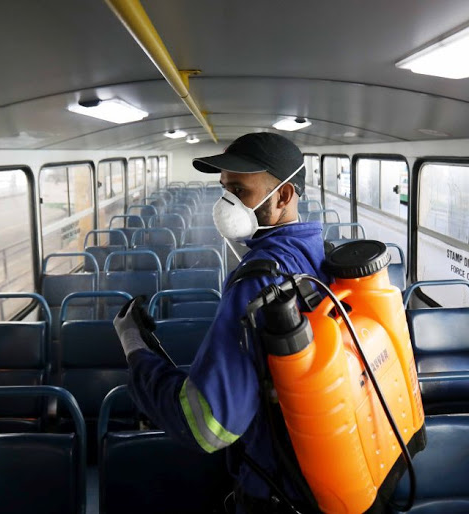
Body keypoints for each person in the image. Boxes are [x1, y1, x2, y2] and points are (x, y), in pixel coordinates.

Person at [113, 132, 329, 512]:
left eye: (240, 190)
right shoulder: (316, 256)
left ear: (283, 196)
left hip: (279, 493)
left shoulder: (261, 282)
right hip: (320, 479)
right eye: (224, 189)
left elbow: (207, 424)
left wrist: (137, 351)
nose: (226, 202)